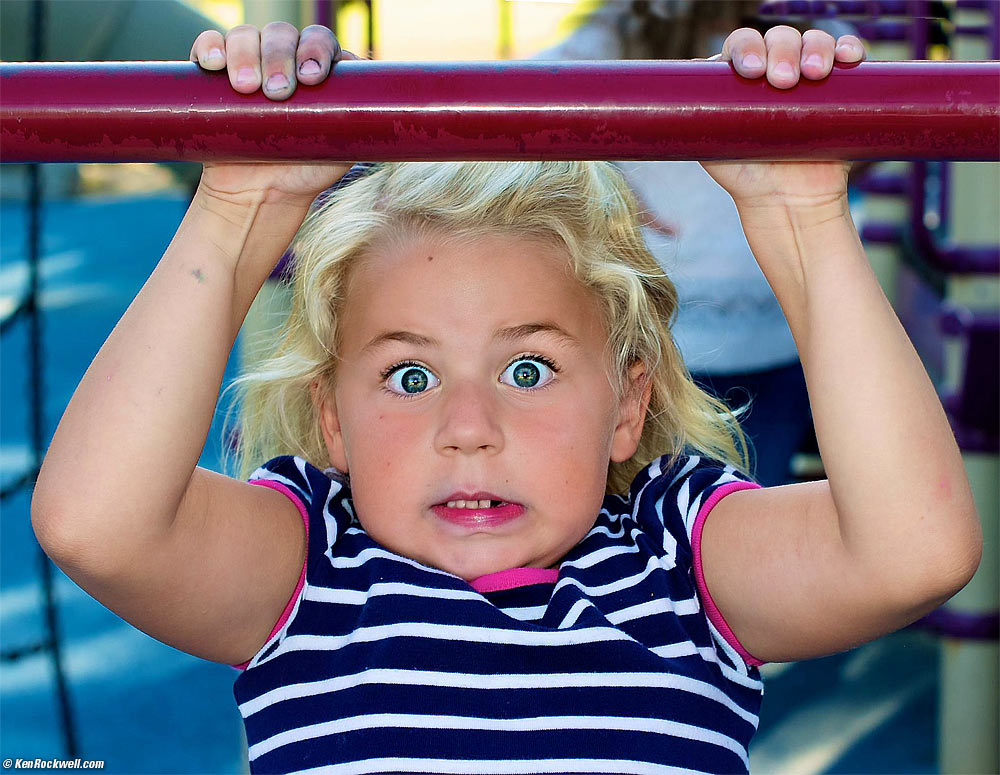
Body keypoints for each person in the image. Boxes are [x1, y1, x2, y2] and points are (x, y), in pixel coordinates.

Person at [31, 21, 981, 775]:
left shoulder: (678, 561)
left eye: (527, 369)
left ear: (624, 404)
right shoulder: (309, 569)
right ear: (332, 418)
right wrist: (238, 213)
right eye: (410, 376)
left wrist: (801, 217)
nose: (468, 430)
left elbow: (913, 551)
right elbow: (96, 523)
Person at [535, 0, 859, 486]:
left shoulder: (812, 37)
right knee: (653, 507)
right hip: (664, 333)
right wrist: (609, 184)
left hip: (775, 330)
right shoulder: (618, 36)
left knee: (751, 504)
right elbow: (531, 106)